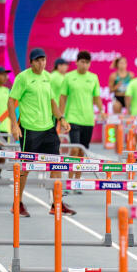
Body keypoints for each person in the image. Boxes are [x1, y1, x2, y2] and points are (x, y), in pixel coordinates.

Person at [8, 48, 74, 217]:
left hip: (48, 129)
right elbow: (11, 100)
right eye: (37, 60)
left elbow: (52, 101)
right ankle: (17, 202)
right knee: (25, 167)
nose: (41, 63)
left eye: (43, 60)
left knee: (56, 164)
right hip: (30, 129)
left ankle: (56, 202)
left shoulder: (47, 77)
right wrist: (14, 125)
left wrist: (61, 118)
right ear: (31, 62)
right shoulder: (23, 78)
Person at [59, 51, 106, 180]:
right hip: (72, 118)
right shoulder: (69, 77)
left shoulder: (93, 77)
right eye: (82, 62)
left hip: (88, 120)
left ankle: (77, 180)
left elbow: (97, 97)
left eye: (87, 62)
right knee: (74, 149)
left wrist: (102, 111)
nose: (85, 65)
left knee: (82, 151)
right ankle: (69, 179)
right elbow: (63, 97)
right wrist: (60, 117)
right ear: (77, 62)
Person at [0, 66, 11, 137]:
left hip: (5, 128)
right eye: (3, 75)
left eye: (6, 75)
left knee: (4, 148)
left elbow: (10, 109)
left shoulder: (7, 90)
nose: (6, 77)